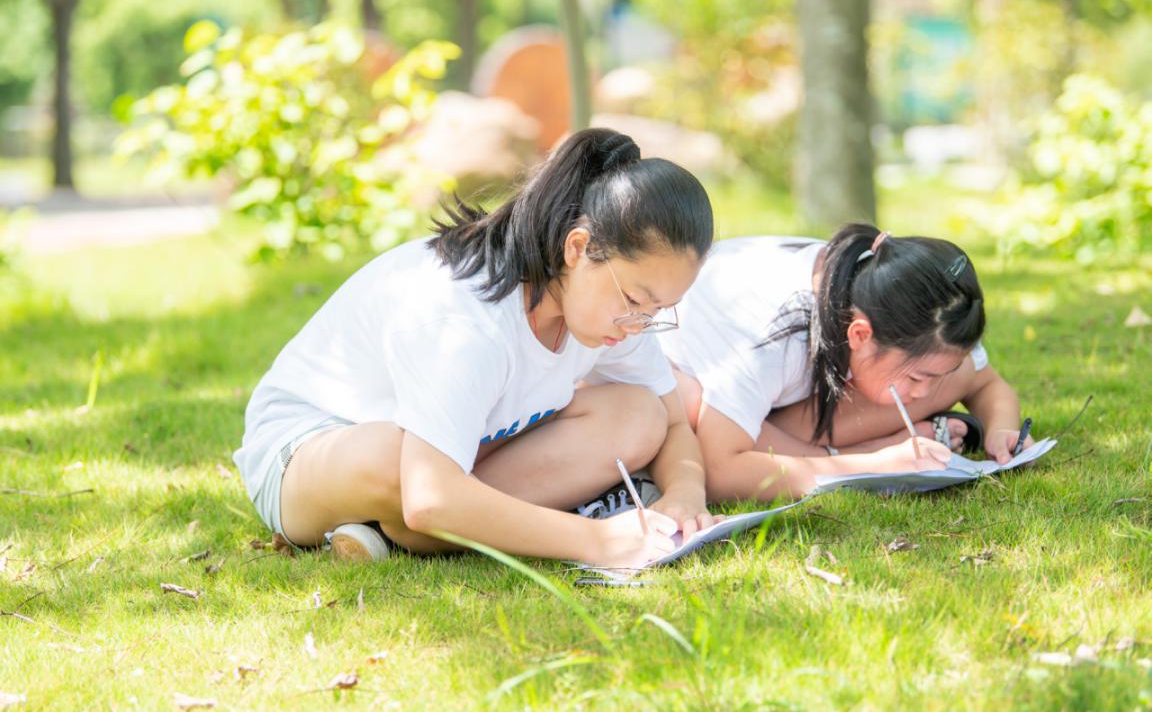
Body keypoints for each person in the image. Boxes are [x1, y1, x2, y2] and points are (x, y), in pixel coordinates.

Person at [232, 128, 717, 569]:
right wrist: (594, 541)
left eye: (658, 310)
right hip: (309, 452)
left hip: (446, 461)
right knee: (399, 464)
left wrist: (685, 493)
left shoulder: (603, 310)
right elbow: (425, 494)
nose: (640, 324)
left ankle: (410, 532)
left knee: (640, 414)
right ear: (577, 248)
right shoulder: (465, 316)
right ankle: (434, 521)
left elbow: (672, 418)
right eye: (635, 300)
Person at [658, 224, 1033, 502]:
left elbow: (985, 383)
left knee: (958, 374)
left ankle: (879, 447)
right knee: (688, 401)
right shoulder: (766, 333)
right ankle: (872, 450)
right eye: (917, 376)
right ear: (859, 335)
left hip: (775, 406)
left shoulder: (902, 308)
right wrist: (873, 464)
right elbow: (719, 471)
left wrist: (1002, 431)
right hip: (688, 389)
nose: (925, 392)